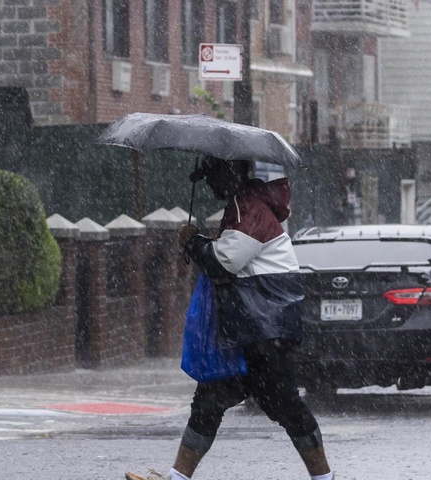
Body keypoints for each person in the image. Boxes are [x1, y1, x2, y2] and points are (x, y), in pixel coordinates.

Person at [125, 156, 334, 480]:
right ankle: (177, 478)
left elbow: (225, 262)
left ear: (233, 170)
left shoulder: (249, 207)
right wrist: (199, 244)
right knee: (209, 400)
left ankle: (325, 478)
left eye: (212, 174)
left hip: (265, 331)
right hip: (253, 330)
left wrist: (193, 242)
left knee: (286, 407)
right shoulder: (245, 205)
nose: (209, 183)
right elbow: (235, 254)